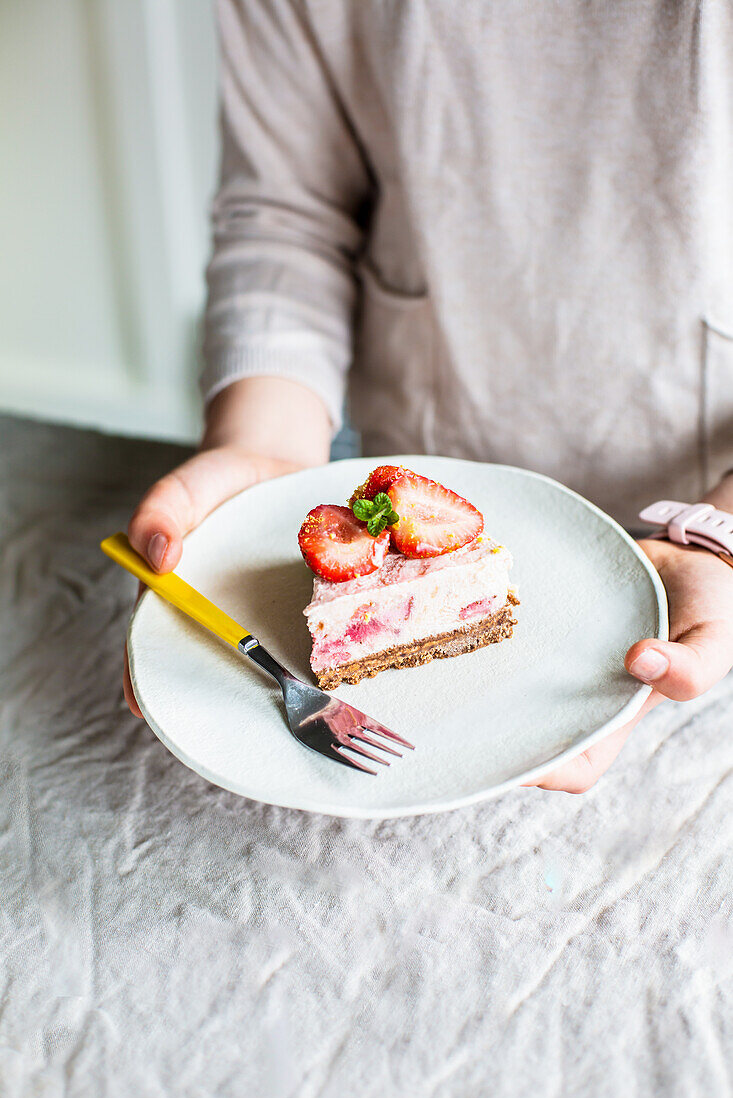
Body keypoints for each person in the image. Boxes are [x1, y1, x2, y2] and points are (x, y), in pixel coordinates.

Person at [124, 1, 733, 792]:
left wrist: (721, 532)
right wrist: (264, 441)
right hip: (417, 440)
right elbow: (288, 212)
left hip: (702, 506)